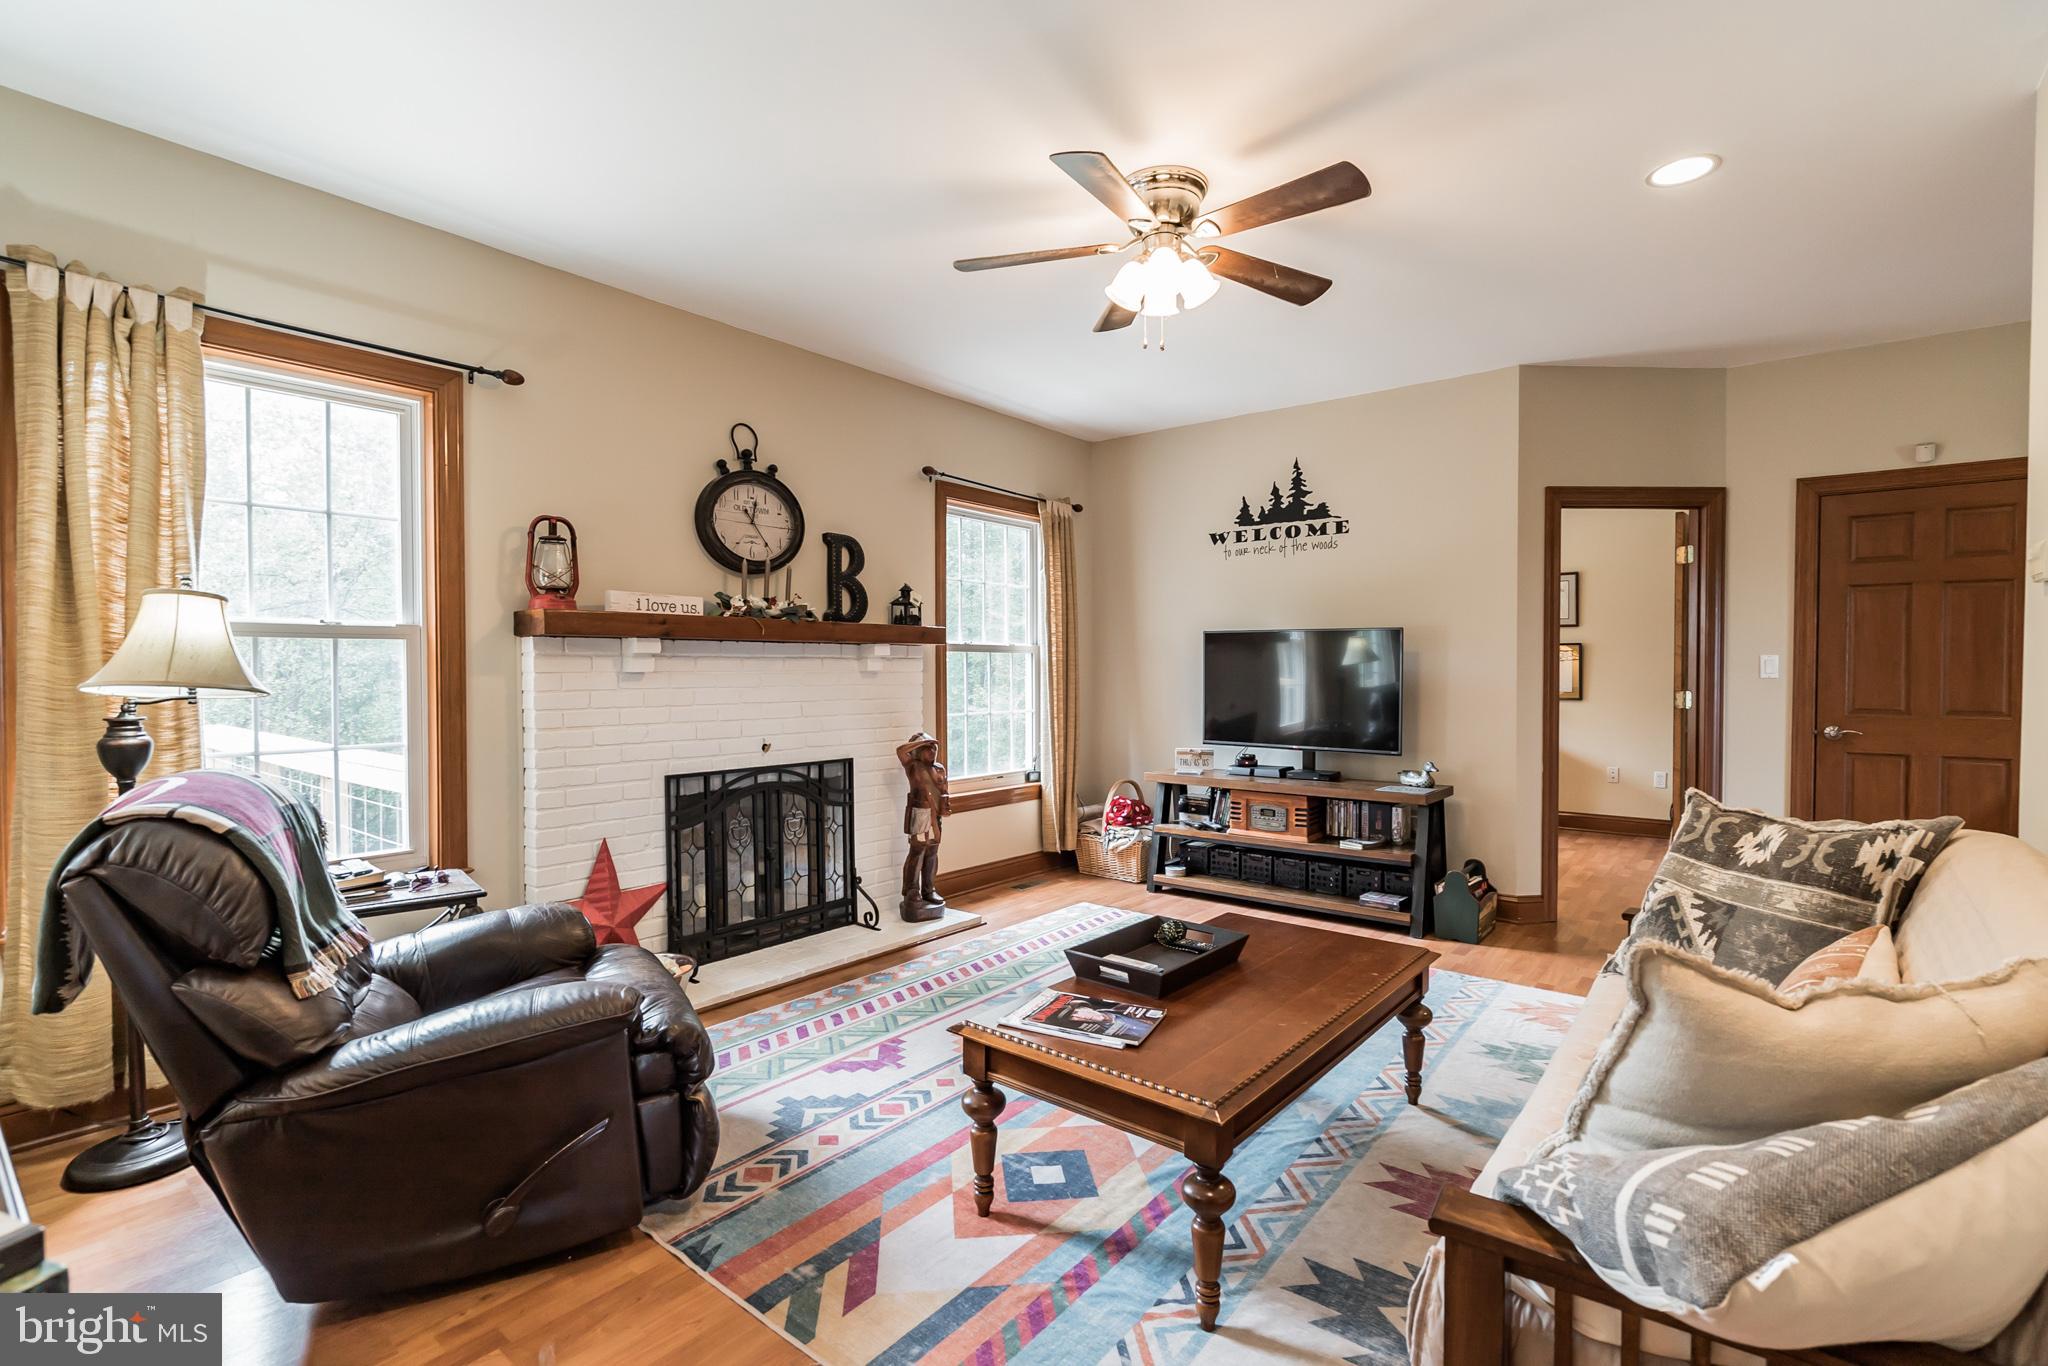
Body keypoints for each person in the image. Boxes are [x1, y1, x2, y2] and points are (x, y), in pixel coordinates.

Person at [895, 731, 949, 921]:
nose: (932, 751)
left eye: (934, 748)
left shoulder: (939, 768)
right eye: (927, 748)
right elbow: (900, 750)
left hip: (935, 816)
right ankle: (911, 891)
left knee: (932, 852)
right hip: (919, 813)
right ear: (918, 750)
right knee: (917, 852)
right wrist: (920, 742)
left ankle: (929, 889)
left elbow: (943, 791)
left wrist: (945, 805)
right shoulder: (912, 766)